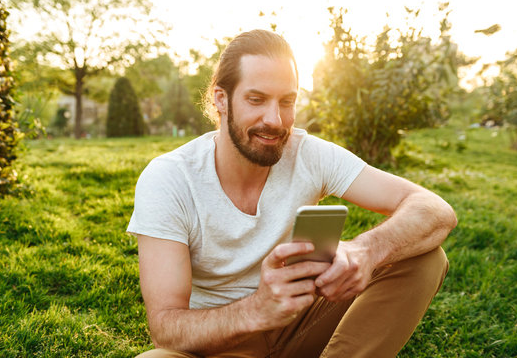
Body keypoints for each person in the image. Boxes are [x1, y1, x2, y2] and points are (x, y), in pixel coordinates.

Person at [127, 29, 457, 358]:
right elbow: (165, 329)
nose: (275, 120)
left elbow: (434, 210)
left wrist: (366, 251)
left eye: (287, 101)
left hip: (302, 323)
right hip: (220, 343)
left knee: (424, 257)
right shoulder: (170, 178)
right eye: (256, 100)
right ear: (220, 100)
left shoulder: (308, 154)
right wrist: (257, 309)